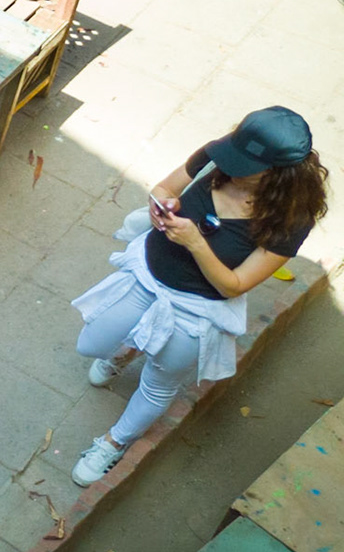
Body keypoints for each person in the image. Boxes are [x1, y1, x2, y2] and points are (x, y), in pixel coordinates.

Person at [69, 108, 327, 487]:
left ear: (278, 173)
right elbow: (163, 188)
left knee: (159, 384)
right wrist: (161, 208)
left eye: (248, 166)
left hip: (197, 308)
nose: (234, 168)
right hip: (150, 276)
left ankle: (113, 442)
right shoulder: (220, 154)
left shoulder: (292, 220)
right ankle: (129, 350)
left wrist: (195, 243)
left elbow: (234, 286)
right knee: (91, 344)